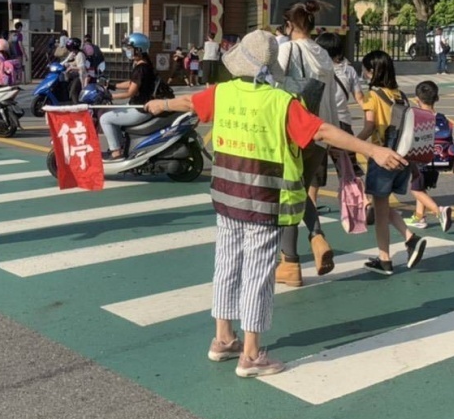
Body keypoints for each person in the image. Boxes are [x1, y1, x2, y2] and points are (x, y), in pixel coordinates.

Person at [143, 30, 405, 378]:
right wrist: (373, 149)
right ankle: (250, 355)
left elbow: (191, 103)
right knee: (257, 276)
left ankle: (223, 339)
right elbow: (323, 132)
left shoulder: (223, 93)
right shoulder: (280, 103)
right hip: (263, 200)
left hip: (225, 197)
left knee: (226, 265)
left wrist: (161, 104)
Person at [276, 1, 339, 286]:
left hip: (295, 130)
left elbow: (272, 87)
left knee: (288, 196)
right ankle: (316, 238)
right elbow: (330, 97)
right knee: (299, 189)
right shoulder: (323, 54)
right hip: (321, 131)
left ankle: (290, 263)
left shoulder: (287, 49)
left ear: (289, 25)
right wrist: (333, 135)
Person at [359, 49, 430, 275]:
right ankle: (409, 239)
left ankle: (385, 259)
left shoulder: (373, 96)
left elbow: (370, 127)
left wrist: (351, 142)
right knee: (383, 206)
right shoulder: (399, 94)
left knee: (380, 214)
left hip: (382, 157)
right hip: (402, 158)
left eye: (364, 68)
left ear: (372, 71)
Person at [405, 80, 454, 233]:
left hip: (419, 161)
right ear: (437, 98)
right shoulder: (442, 118)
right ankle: (419, 217)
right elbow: (451, 141)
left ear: (416, 99)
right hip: (437, 161)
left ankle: (438, 211)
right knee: (421, 188)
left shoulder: (416, 116)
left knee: (416, 190)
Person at [99, 33, 157, 161]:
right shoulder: (143, 65)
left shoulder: (141, 68)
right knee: (110, 113)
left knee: (105, 119)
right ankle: (121, 147)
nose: (127, 51)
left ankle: (116, 153)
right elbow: (132, 83)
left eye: (130, 49)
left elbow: (130, 92)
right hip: (138, 105)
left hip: (139, 109)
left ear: (139, 49)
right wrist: (112, 86)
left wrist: (110, 97)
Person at [316, 31, 365, 178]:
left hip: (319, 124)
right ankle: (359, 200)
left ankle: (311, 201)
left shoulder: (316, 70)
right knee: (349, 171)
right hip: (342, 124)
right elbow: (360, 98)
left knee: (315, 176)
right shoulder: (348, 70)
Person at [62, 37, 88, 103]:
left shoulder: (80, 55)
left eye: (71, 48)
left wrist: (71, 67)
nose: (70, 50)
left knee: (73, 91)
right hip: (72, 75)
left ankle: (76, 106)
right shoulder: (73, 54)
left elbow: (82, 68)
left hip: (80, 76)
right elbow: (65, 61)